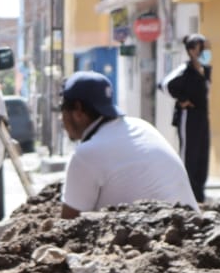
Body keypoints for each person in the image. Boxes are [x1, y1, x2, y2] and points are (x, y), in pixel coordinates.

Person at [59, 71, 198, 219]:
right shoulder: (142, 126)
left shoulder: (85, 155)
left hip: (151, 237)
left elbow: (68, 224)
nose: (62, 119)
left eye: (63, 110)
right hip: (196, 230)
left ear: (78, 110)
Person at [160, 34, 211, 203]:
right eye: (200, 47)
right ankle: (184, 194)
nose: (204, 51)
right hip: (189, 117)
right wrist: (182, 100)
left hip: (202, 116)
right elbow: (165, 84)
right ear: (191, 50)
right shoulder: (185, 70)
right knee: (189, 155)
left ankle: (199, 195)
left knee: (202, 156)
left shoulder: (205, 70)